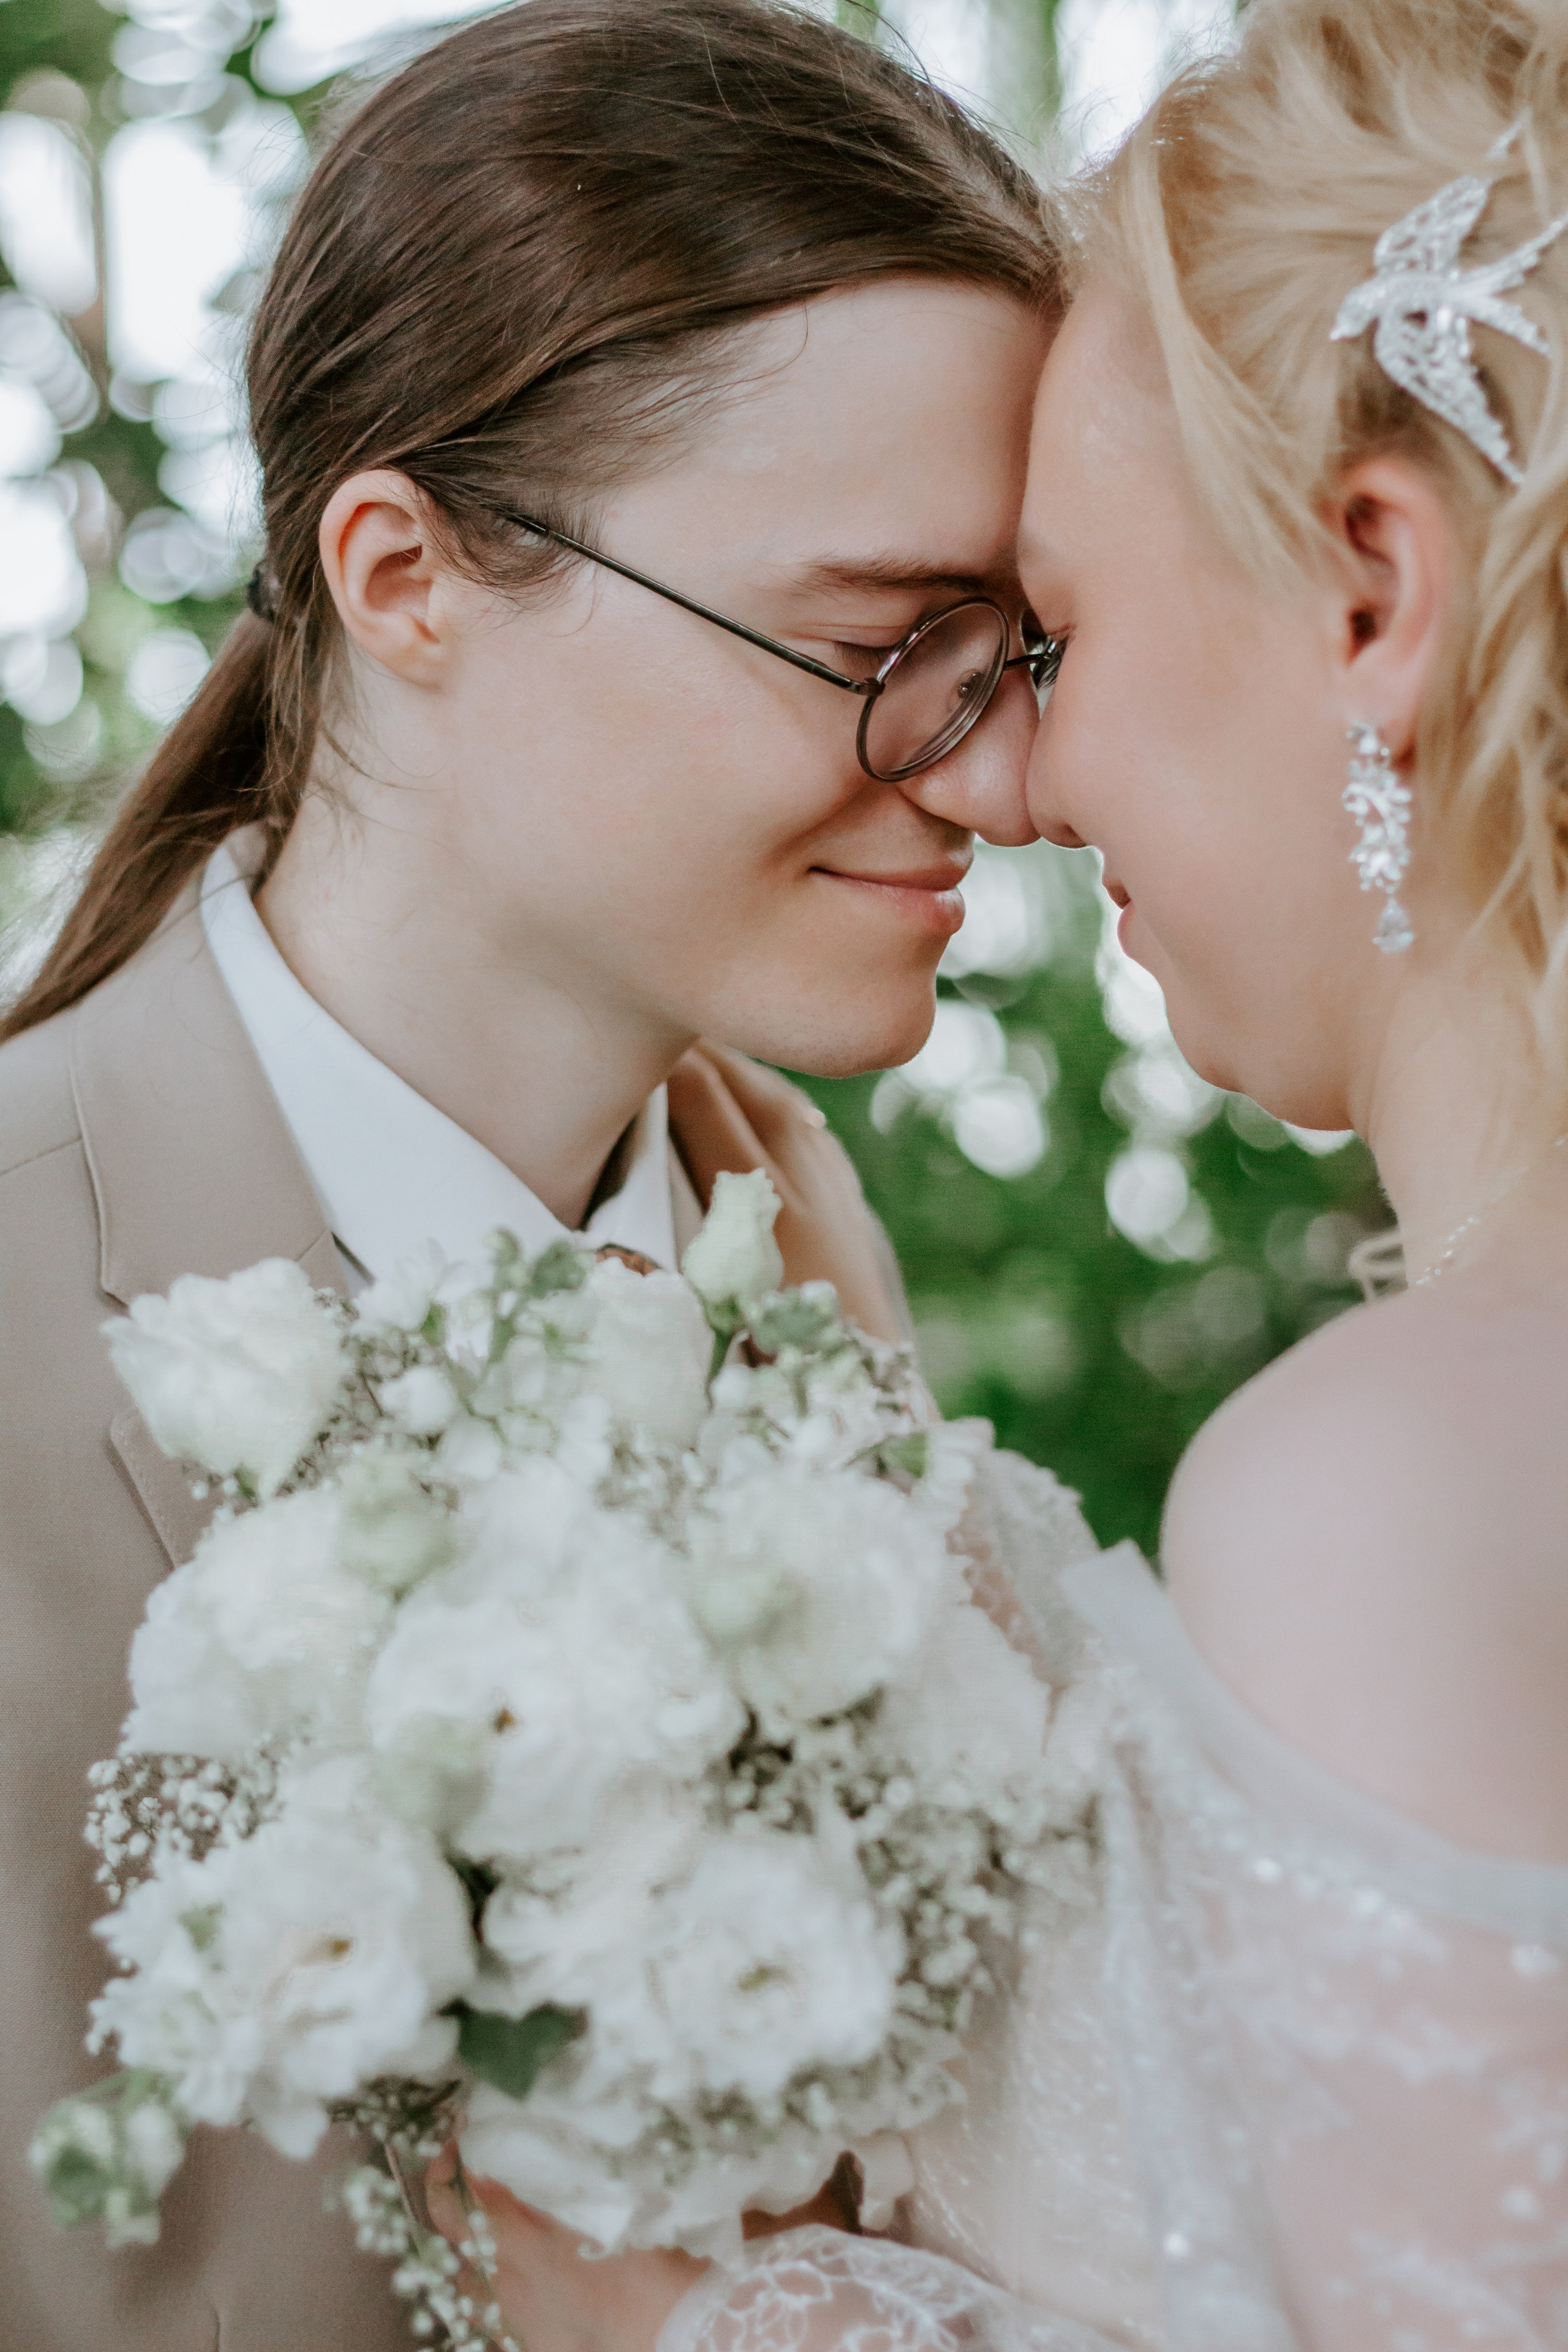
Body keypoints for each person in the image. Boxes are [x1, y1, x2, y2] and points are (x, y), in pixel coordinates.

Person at [433, 1, 1568, 2345]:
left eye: (1053, 629)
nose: (1011, 782)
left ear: (1375, 591)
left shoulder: (1393, 1485)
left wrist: (682, 2318)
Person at [0, 4, 1062, 2344]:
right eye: (887, 644)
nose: (996, 788)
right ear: (404, 575)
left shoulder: (817, 1331)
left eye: (1021, 657)